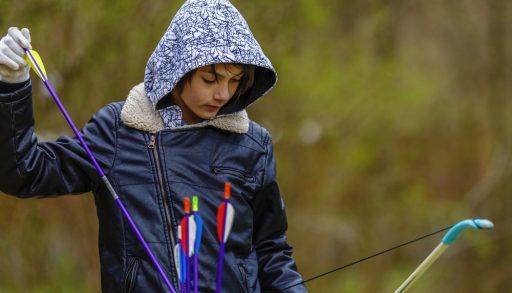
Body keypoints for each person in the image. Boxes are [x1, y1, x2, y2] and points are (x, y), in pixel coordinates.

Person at [0, 0, 307, 292]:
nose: (223, 94)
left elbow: (271, 250)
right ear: (178, 69)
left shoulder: (253, 145)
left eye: (235, 80)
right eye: (210, 79)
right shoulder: (118, 130)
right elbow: (25, 172)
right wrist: (11, 85)